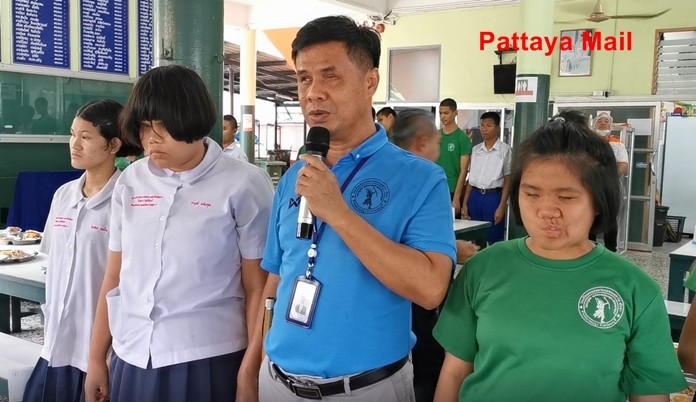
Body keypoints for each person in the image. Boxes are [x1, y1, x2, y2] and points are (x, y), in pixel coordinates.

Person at [237, 16, 456, 402]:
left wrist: (337, 212)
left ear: (370, 81)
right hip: (277, 382)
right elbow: (276, 279)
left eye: (330, 76)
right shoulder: (296, 176)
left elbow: (430, 289)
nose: (313, 93)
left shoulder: (421, 178)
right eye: (304, 78)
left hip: (367, 388)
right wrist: (250, 368)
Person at [433, 110, 686, 402]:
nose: (546, 211)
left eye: (566, 197)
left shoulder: (635, 289)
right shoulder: (481, 269)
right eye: (532, 194)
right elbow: (454, 372)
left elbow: (650, 395)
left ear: (599, 201)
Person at [84, 65, 274, 402]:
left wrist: (251, 369)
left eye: (162, 126)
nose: (151, 140)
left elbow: (258, 287)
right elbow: (114, 275)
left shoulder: (243, 182)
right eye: (144, 127)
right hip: (132, 351)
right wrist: (97, 357)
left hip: (206, 356)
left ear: (192, 120)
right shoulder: (131, 180)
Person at [23, 99, 140, 402]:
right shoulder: (63, 195)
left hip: (102, 350)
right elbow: (54, 262)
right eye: (73, 134)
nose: (74, 144)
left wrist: (106, 353)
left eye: (86, 137)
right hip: (57, 343)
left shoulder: (127, 200)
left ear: (113, 144)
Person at [392, 108, 477, 402]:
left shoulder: (385, 175)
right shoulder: (426, 177)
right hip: (414, 298)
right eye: (437, 143)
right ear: (421, 142)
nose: (439, 150)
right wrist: (451, 250)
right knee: (425, 364)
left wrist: (450, 245)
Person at [461, 111, 511, 245]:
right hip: (475, 196)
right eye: (482, 125)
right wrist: (465, 203)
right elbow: (471, 179)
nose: (484, 129)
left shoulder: (505, 150)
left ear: (497, 128)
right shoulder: (476, 149)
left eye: (489, 125)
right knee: (475, 237)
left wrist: (502, 206)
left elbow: (508, 180)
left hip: (493, 197)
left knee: (493, 237)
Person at [588, 112, 628, 252]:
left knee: (610, 217)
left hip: (610, 185)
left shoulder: (618, 144)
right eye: (600, 121)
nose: (603, 123)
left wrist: (610, 177)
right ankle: (590, 249)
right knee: (590, 215)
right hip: (590, 185)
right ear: (594, 126)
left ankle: (611, 250)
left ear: (610, 126)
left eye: (606, 121)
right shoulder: (586, 143)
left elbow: (623, 165)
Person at [436, 98, 471, 218]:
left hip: (451, 189)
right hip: (435, 188)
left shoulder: (463, 139)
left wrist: (456, 198)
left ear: (455, 113)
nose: (442, 116)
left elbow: (464, 170)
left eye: (446, 113)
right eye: (440, 113)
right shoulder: (435, 136)